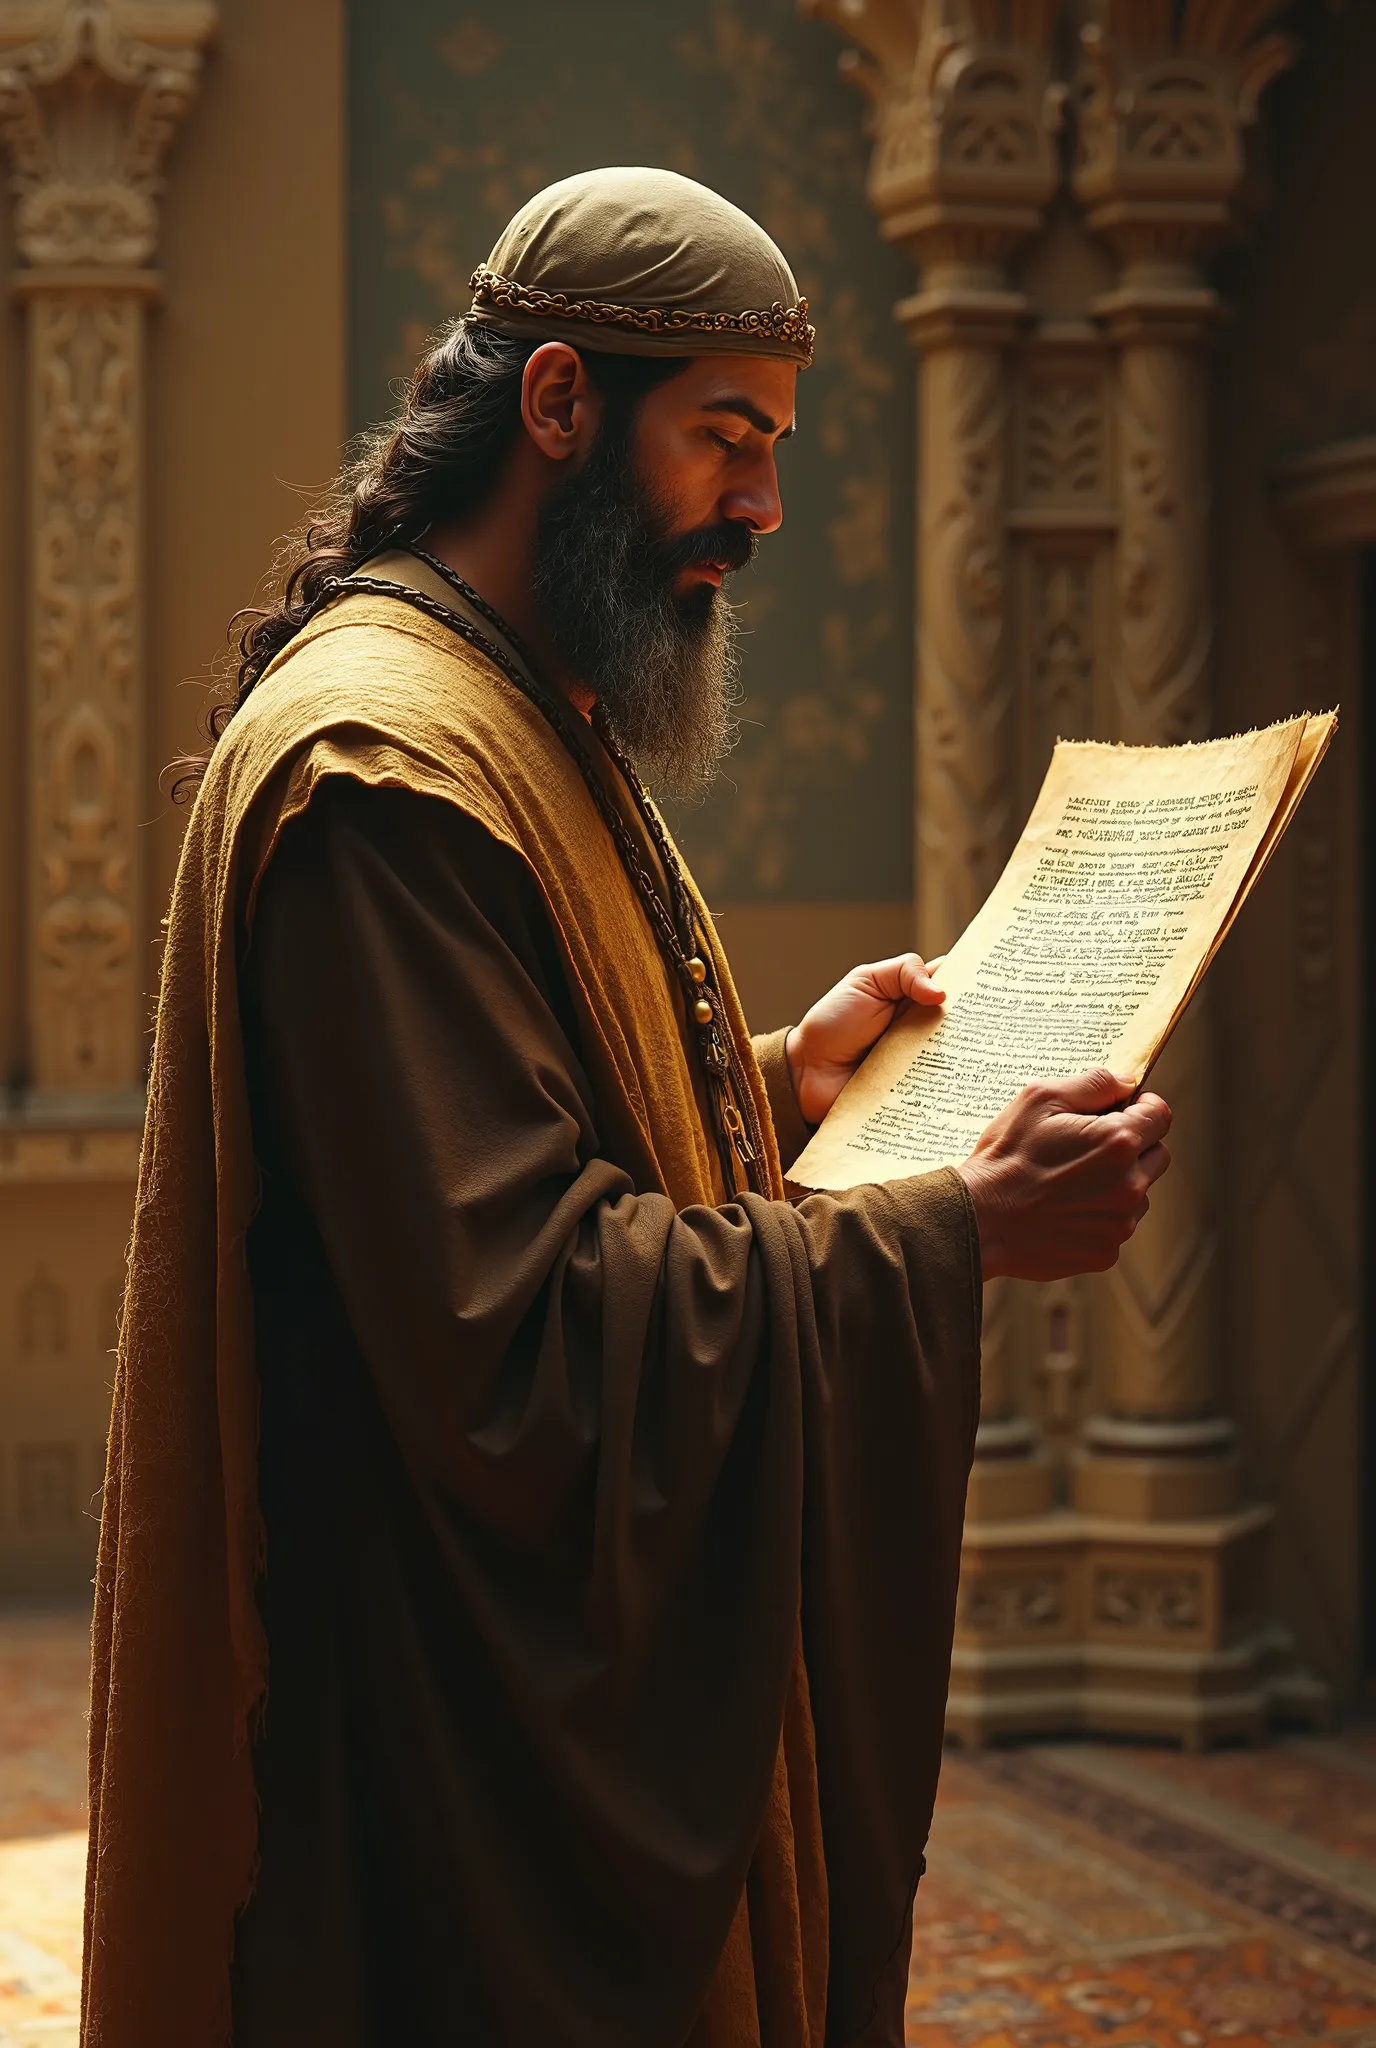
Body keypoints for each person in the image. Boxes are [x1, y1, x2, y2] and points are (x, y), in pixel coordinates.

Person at [82, 168, 1170, 2048]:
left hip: (488, 1691)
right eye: (727, 439)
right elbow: (515, 1332)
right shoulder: (389, 772)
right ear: (562, 402)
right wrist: (947, 1232)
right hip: (445, 1751)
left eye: (774, 449)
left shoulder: (513, 701)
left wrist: (766, 1080)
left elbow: (471, 1141)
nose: (760, 504)